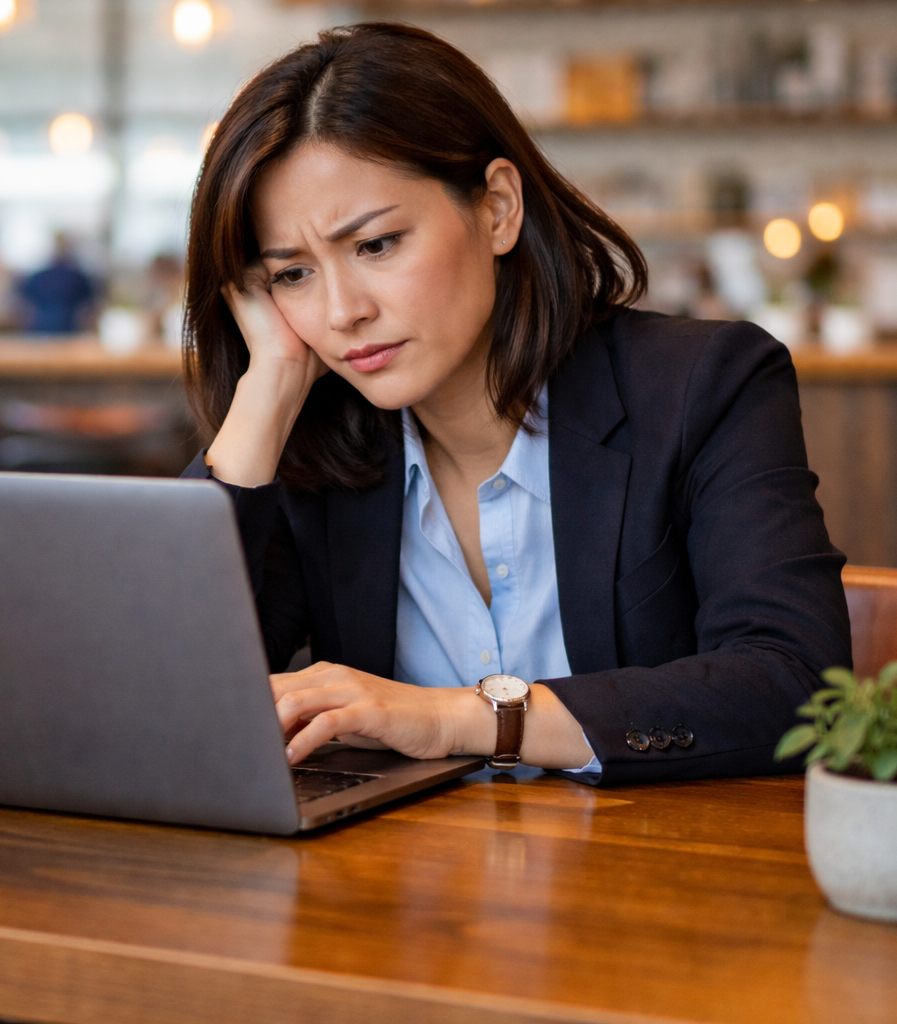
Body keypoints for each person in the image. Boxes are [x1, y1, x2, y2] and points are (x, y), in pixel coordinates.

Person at [180, 24, 851, 785]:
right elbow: (168, 707)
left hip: (651, 879)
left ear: (497, 208)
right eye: (292, 274)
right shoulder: (314, 442)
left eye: (375, 246)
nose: (341, 312)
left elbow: (796, 686)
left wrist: (452, 717)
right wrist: (267, 385)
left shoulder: (704, 383)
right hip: (393, 892)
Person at [19, 234, 94, 334]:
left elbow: (25, 305)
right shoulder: (78, 277)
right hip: (64, 331)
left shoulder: (38, 277)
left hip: (46, 331)